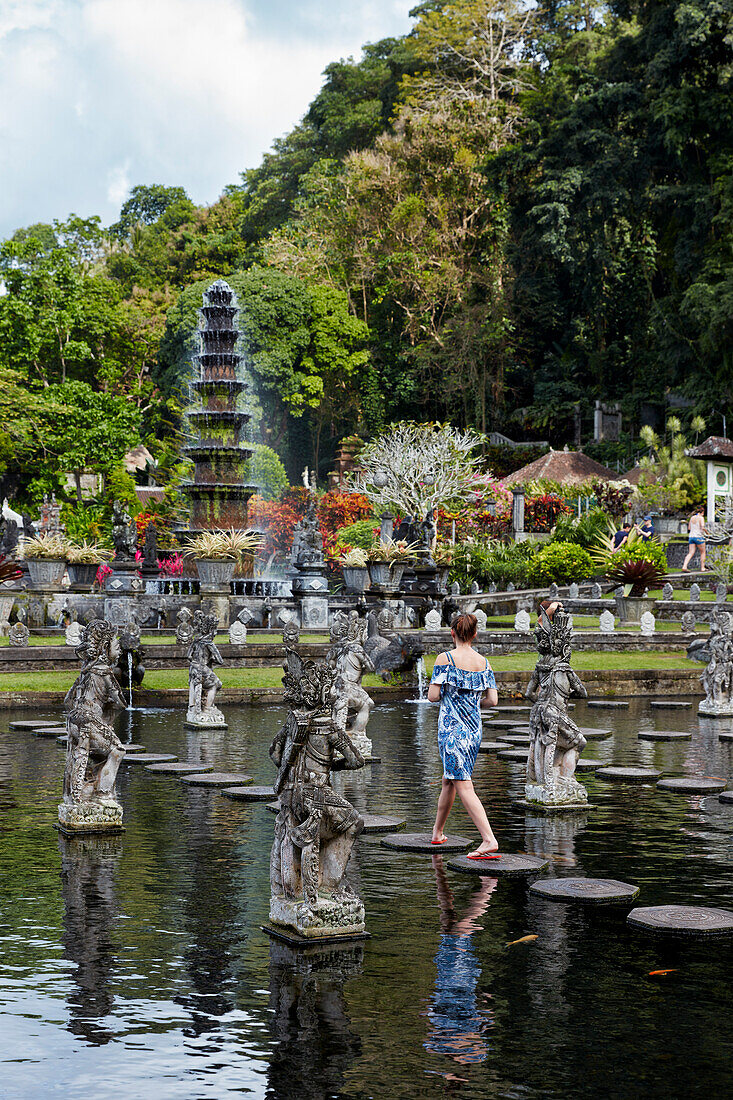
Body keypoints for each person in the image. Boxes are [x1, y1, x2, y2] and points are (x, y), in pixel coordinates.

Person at [427, 612, 499, 859]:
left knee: (464, 784)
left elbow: (433, 696)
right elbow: (492, 699)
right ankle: (437, 833)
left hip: (452, 731)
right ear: (475, 634)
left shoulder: (445, 659)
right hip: (474, 730)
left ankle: (489, 840)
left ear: (452, 633)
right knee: (450, 779)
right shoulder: (484, 662)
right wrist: (472, 705)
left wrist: (451, 698)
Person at [682, 506, 708, 572]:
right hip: (699, 537)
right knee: (703, 552)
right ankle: (702, 568)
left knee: (690, 553)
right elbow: (702, 527)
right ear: (702, 512)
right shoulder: (701, 518)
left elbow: (689, 528)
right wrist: (707, 532)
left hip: (691, 537)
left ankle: (684, 566)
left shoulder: (692, 518)